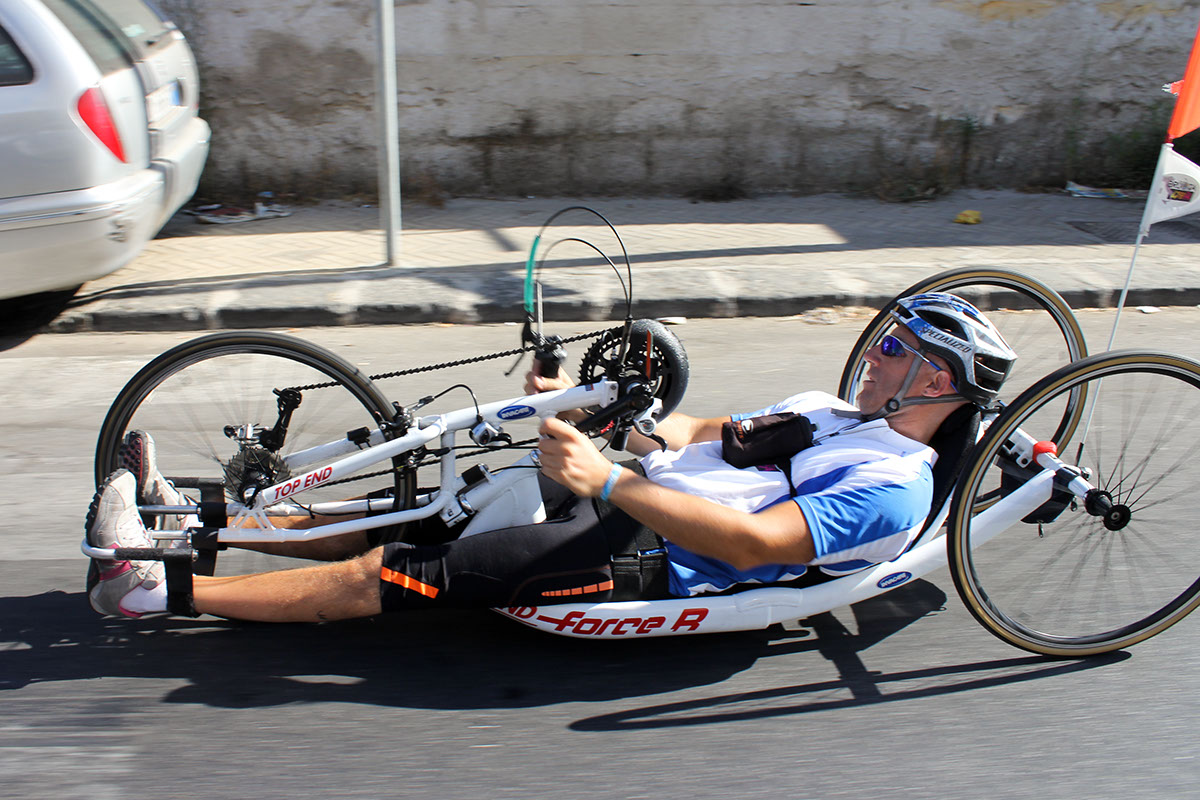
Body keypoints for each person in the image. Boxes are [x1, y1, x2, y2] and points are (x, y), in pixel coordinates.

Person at [84, 293, 1016, 622]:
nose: (876, 349)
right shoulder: (828, 409)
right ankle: (191, 520)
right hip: (621, 494)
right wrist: (608, 416)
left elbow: (751, 545)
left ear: (935, 383)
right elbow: (707, 436)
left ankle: (152, 591)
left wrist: (608, 480)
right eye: (887, 335)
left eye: (898, 348)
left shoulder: (893, 486)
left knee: (406, 573)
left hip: (641, 559)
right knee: (412, 510)